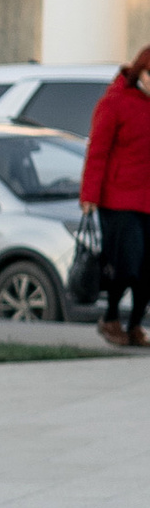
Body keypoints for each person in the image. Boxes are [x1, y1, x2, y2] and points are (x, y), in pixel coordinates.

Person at [80, 47, 150, 351]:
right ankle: (110, 319)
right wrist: (89, 196)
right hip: (119, 200)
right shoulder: (115, 103)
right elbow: (97, 151)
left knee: (148, 269)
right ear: (140, 74)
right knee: (127, 264)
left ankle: (135, 325)